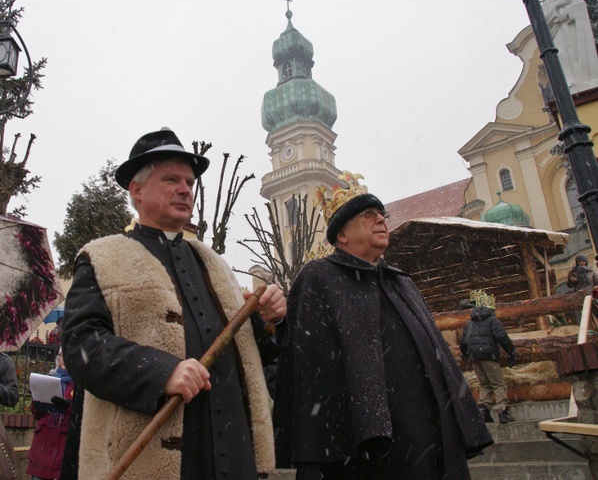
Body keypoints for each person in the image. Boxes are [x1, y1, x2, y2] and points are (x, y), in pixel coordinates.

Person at [61, 128, 287, 479]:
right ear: (136, 190)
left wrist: (272, 319)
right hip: (152, 462)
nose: (186, 189)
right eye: (171, 180)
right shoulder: (101, 258)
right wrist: (160, 371)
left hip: (235, 456)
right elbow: (82, 345)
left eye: (189, 182)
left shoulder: (216, 264)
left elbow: (257, 350)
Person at [273, 174, 492, 479]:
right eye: (367, 216)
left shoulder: (401, 281)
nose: (380, 220)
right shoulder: (320, 278)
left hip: (432, 437)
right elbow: (308, 369)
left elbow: (437, 358)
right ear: (342, 236)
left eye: (381, 215)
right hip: (368, 450)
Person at [459, 299, 517, 424]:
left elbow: (463, 341)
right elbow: (502, 337)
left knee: (485, 384)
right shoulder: (492, 320)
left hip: (475, 357)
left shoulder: (469, 323)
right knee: (498, 384)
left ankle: (484, 411)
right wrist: (511, 352)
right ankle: (503, 412)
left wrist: (465, 354)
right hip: (489, 356)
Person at [542, 0, 598, 92]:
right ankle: (570, 81)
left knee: (580, 51)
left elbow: (581, 8)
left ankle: (588, 77)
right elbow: (543, 21)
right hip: (558, 34)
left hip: (575, 30)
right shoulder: (546, 5)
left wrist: (568, 14)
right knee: (563, 56)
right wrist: (557, 5)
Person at [27, 348, 74, 479]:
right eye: (60, 355)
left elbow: (80, 416)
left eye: (67, 355)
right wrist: (37, 402)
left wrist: (68, 407)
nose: (63, 359)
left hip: (63, 449)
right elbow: (37, 414)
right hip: (43, 448)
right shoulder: (49, 378)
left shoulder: (78, 385)